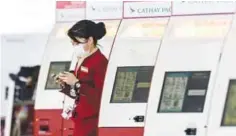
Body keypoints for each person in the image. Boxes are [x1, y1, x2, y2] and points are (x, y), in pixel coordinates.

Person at [57, 20, 108, 136]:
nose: (75, 47)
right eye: (73, 44)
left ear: (90, 40)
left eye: (77, 43)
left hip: (91, 119)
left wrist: (76, 83)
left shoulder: (100, 62)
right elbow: (78, 90)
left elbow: (99, 94)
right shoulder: (82, 59)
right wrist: (65, 82)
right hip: (80, 116)